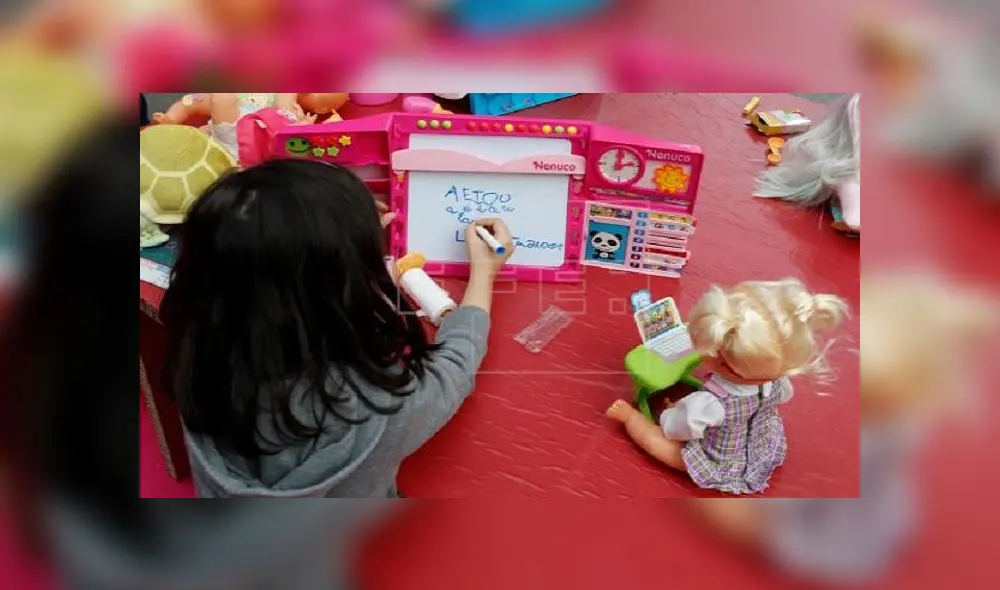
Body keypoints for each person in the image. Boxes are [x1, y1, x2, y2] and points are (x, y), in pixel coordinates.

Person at [159, 159, 515, 498]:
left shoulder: (201, 348)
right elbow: (450, 374)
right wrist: (484, 274)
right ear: (343, 284)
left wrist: (342, 230)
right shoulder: (368, 404)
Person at [606, 278, 848, 494]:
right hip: (761, 447)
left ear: (725, 363)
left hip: (723, 461)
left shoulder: (710, 403)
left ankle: (629, 418)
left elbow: (677, 429)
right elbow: (783, 397)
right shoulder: (777, 383)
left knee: (660, 444)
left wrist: (669, 413)